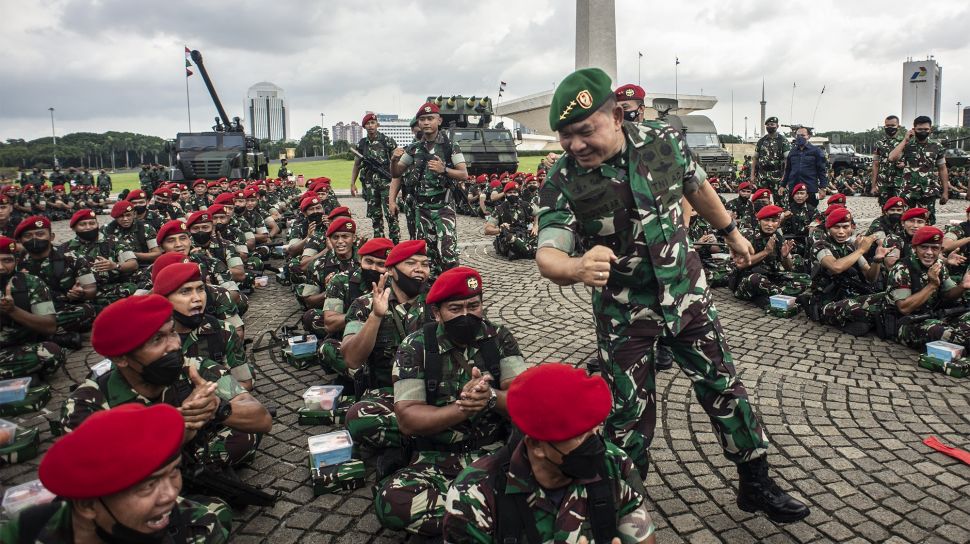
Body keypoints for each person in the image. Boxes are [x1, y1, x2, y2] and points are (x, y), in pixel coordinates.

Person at [535, 68, 808, 523]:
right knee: (627, 414)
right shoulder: (563, 180)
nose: (576, 145)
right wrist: (577, 267)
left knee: (723, 385)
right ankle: (624, 502)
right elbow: (548, 253)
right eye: (565, 137)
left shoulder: (662, 139)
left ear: (617, 116)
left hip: (686, 293)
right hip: (625, 312)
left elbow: (695, 185)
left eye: (585, 131)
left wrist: (732, 233)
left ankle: (755, 480)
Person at [374, 266, 528, 537]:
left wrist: (490, 398)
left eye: (474, 305)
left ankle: (471, 522)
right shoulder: (416, 346)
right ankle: (489, 520)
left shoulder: (499, 338)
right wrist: (462, 407)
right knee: (392, 502)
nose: (467, 315)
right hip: (437, 458)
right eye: (455, 308)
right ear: (437, 313)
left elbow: (523, 401)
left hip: (494, 454)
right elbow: (408, 419)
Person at [444, 363, 656, 544]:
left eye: (594, 429)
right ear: (536, 445)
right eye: (578, 436)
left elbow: (641, 534)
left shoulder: (613, 463)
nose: (594, 443)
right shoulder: (473, 495)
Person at [60, 294, 272, 467]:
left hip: (189, 461)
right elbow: (99, 474)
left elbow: (262, 419)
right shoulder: (87, 403)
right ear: (120, 358)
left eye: (171, 333)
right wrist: (180, 426)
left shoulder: (194, 367)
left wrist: (215, 407)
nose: (173, 345)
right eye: (156, 340)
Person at [0, 403, 230, 543]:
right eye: (147, 486)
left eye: (173, 473)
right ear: (87, 506)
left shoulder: (197, 528)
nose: (170, 494)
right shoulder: (27, 531)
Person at [342, 240, 432, 464]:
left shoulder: (439, 303)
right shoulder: (363, 305)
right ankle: (435, 436)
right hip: (388, 395)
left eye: (425, 264)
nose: (419, 269)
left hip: (434, 391)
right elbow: (352, 358)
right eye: (411, 263)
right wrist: (376, 316)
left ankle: (410, 441)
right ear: (391, 270)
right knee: (357, 418)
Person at [390, 102, 469, 276]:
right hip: (422, 209)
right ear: (418, 123)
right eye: (422, 119)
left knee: (449, 253)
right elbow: (397, 173)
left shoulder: (450, 147)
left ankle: (453, 288)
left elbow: (464, 174)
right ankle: (431, 290)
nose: (426, 123)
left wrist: (444, 170)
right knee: (427, 255)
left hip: (443, 207)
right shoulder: (413, 149)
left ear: (439, 120)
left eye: (430, 118)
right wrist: (393, 160)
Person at [153, 260, 251, 390]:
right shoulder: (148, 339)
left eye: (200, 289)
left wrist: (206, 398)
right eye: (185, 291)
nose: (197, 298)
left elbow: (245, 383)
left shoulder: (223, 331)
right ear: (164, 299)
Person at [808, 207, 890, 336]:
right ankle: (864, 320)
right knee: (853, 307)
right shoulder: (821, 245)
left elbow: (870, 277)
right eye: (836, 227)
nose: (841, 232)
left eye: (845, 227)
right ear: (828, 229)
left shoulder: (851, 247)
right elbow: (836, 267)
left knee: (887, 298)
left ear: (851, 228)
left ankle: (866, 320)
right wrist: (861, 250)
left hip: (849, 295)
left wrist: (877, 260)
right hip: (827, 302)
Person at [15, 215, 97, 343]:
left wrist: (81, 293)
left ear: (51, 237)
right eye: (28, 236)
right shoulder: (13, 263)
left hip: (62, 308)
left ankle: (37, 335)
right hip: (29, 312)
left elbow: (91, 290)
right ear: (20, 241)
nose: (34, 238)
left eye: (40, 234)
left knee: (88, 310)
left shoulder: (73, 258)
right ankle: (55, 336)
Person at [887, 226, 970, 350]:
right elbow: (904, 308)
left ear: (941, 250)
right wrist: (932, 285)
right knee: (953, 336)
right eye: (924, 247)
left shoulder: (939, 264)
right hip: (906, 323)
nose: (929, 253)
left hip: (933, 316)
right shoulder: (902, 268)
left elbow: (948, 294)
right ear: (914, 248)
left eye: (935, 248)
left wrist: (962, 287)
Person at [0, 235, 64, 380]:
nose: (1, 267)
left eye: (7, 260)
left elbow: (49, 326)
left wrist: (12, 310)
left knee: (50, 352)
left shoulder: (31, 283)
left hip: (14, 349)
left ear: (17, 261)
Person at [731, 205, 809, 305]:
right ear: (759, 221)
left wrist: (785, 256)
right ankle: (789, 297)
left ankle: (771, 294)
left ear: (779, 222)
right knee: (755, 279)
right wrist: (766, 251)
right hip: (745, 280)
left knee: (805, 278)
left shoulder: (778, 236)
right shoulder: (747, 234)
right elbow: (741, 264)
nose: (770, 224)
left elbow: (789, 268)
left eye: (774, 221)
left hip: (770, 278)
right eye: (766, 220)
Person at [62, 208, 139, 307]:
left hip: (109, 287)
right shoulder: (65, 249)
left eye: (92, 223)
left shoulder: (112, 241)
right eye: (83, 224)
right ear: (74, 228)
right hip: (82, 290)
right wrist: (73, 292)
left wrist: (115, 265)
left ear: (98, 225)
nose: (88, 227)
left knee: (131, 287)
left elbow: (133, 264)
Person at [888, 115, 949, 225]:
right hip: (908, 190)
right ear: (914, 129)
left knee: (927, 220)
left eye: (926, 129)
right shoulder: (906, 145)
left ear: (930, 130)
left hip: (928, 191)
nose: (923, 132)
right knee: (905, 220)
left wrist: (945, 192)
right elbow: (892, 158)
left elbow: (942, 168)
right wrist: (905, 140)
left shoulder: (937, 146)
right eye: (920, 129)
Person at [352, 113, 401, 243]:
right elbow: (356, 165)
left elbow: (397, 163)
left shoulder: (387, 141)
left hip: (387, 184)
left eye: (373, 123)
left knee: (391, 214)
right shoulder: (362, 144)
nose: (370, 126)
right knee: (375, 215)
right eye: (367, 124)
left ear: (377, 125)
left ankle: (395, 242)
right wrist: (352, 183)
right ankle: (379, 242)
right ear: (364, 127)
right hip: (370, 185)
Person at [484, 182, 537, 260]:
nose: (513, 195)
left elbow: (538, 213)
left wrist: (536, 226)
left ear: (518, 193)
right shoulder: (500, 209)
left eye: (515, 192)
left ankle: (522, 251)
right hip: (509, 237)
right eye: (510, 193)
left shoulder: (525, 205)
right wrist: (500, 229)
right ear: (505, 194)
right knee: (510, 238)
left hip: (524, 235)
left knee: (541, 236)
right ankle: (531, 251)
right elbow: (487, 230)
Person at [782, 126, 828, 208]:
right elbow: (788, 170)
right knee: (793, 212)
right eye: (798, 135)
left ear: (808, 136)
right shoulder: (792, 152)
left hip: (810, 188)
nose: (800, 137)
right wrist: (782, 185)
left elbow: (821, 171)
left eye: (803, 135)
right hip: (794, 188)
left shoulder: (816, 151)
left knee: (812, 211)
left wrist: (823, 188)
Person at [751, 116, 791, 198]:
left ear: (777, 126)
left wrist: (785, 176)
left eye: (772, 124)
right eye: (768, 125)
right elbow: (755, 158)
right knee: (761, 200)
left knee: (780, 200)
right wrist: (752, 175)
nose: (770, 126)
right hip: (762, 175)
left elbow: (787, 159)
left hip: (778, 175)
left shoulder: (783, 140)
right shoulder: (761, 141)